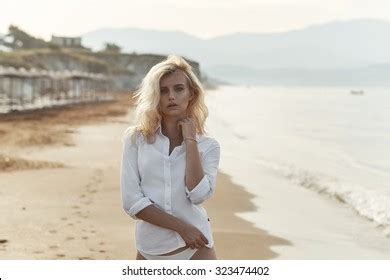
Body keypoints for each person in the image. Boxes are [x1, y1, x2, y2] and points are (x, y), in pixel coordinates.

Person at [120, 55, 220, 260]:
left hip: (197, 250)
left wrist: (190, 140)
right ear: (155, 96)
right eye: (163, 91)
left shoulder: (208, 146)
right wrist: (182, 228)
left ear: (191, 93)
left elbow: (198, 195)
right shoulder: (136, 139)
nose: (171, 96)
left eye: (179, 89)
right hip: (150, 250)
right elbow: (131, 202)